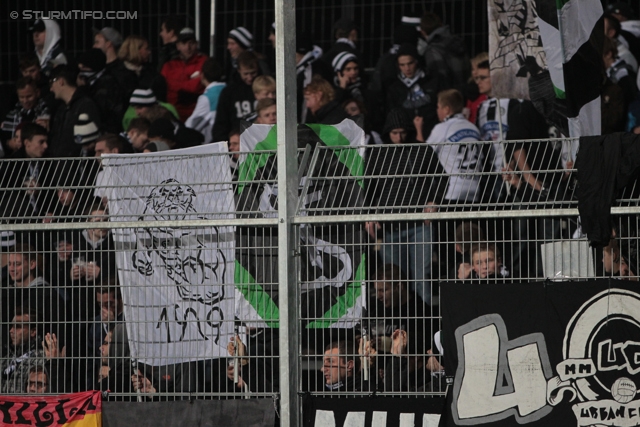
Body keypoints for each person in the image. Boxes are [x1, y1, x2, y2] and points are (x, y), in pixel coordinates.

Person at [364, 109, 447, 304]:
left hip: (420, 226)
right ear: (387, 133)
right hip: (391, 227)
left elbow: (442, 178)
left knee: (422, 277)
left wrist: (433, 202)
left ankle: (424, 322)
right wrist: (369, 215)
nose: (399, 138)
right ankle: (398, 325)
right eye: (394, 133)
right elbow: (368, 188)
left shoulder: (422, 150)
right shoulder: (378, 154)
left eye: (402, 132)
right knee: (394, 279)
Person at [426, 89, 482, 204]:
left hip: (452, 190)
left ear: (446, 109)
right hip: (474, 190)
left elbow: (424, 154)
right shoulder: (474, 128)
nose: (437, 111)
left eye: (438, 107)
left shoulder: (442, 128)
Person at [385, 43, 441, 137]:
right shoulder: (394, 88)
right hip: (406, 136)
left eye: (410, 63)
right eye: (402, 65)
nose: (407, 68)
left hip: (433, 133)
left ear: (417, 61)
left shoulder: (432, 81)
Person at [48, 65, 102, 157]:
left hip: (78, 167)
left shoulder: (85, 104)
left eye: (51, 83)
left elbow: (92, 139)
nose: (51, 89)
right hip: (61, 167)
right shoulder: (61, 109)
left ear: (61, 81)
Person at [211, 51, 261, 142]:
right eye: (245, 74)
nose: (250, 77)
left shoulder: (265, 88)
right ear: (239, 70)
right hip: (237, 142)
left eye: (253, 73)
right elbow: (221, 123)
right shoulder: (229, 92)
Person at [161, 28, 207, 122]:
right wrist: (190, 83)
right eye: (183, 43)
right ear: (178, 46)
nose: (187, 47)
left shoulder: (204, 62)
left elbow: (196, 87)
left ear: (196, 44)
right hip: (173, 115)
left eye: (191, 43)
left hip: (198, 115)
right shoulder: (169, 66)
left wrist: (174, 85)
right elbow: (161, 87)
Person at [77, 48, 125, 133]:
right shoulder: (90, 81)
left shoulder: (108, 84)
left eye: (84, 67)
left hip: (107, 130)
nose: (82, 71)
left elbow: (97, 109)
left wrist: (83, 90)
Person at [419, 11, 469, 91]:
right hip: (465, 91)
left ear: (423, 32)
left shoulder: (433, 50)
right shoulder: (457, 41)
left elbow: (440, 80)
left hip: (450, 97)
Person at [0, 306, 45, 393]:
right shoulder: (5, 360)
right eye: (12, 326)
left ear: (33, 331)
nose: (11, 331)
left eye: (18, 327)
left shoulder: (41, 360)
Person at [185, 57, 226, 143]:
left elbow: (191, 125)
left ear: (202, 75)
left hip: (214, 145)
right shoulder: (230, 90)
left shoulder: (207, 98)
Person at [1, 77, 50, 144]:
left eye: (29, 96)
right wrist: (9, 144)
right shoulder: (12, 114)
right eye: (21, 97)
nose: (25, 101)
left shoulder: (47, 113)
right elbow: (3, 139)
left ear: (37, 93)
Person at [118, 34, 168, 101]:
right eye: (146, 49)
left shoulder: (151, 73)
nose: (149, 52)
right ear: (136, 50)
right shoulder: (117, 73)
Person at [93, 27, 137, 100]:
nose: (94, 46)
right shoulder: (99, 69)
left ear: (108, 44)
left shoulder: (123, 72)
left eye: (97, 42)